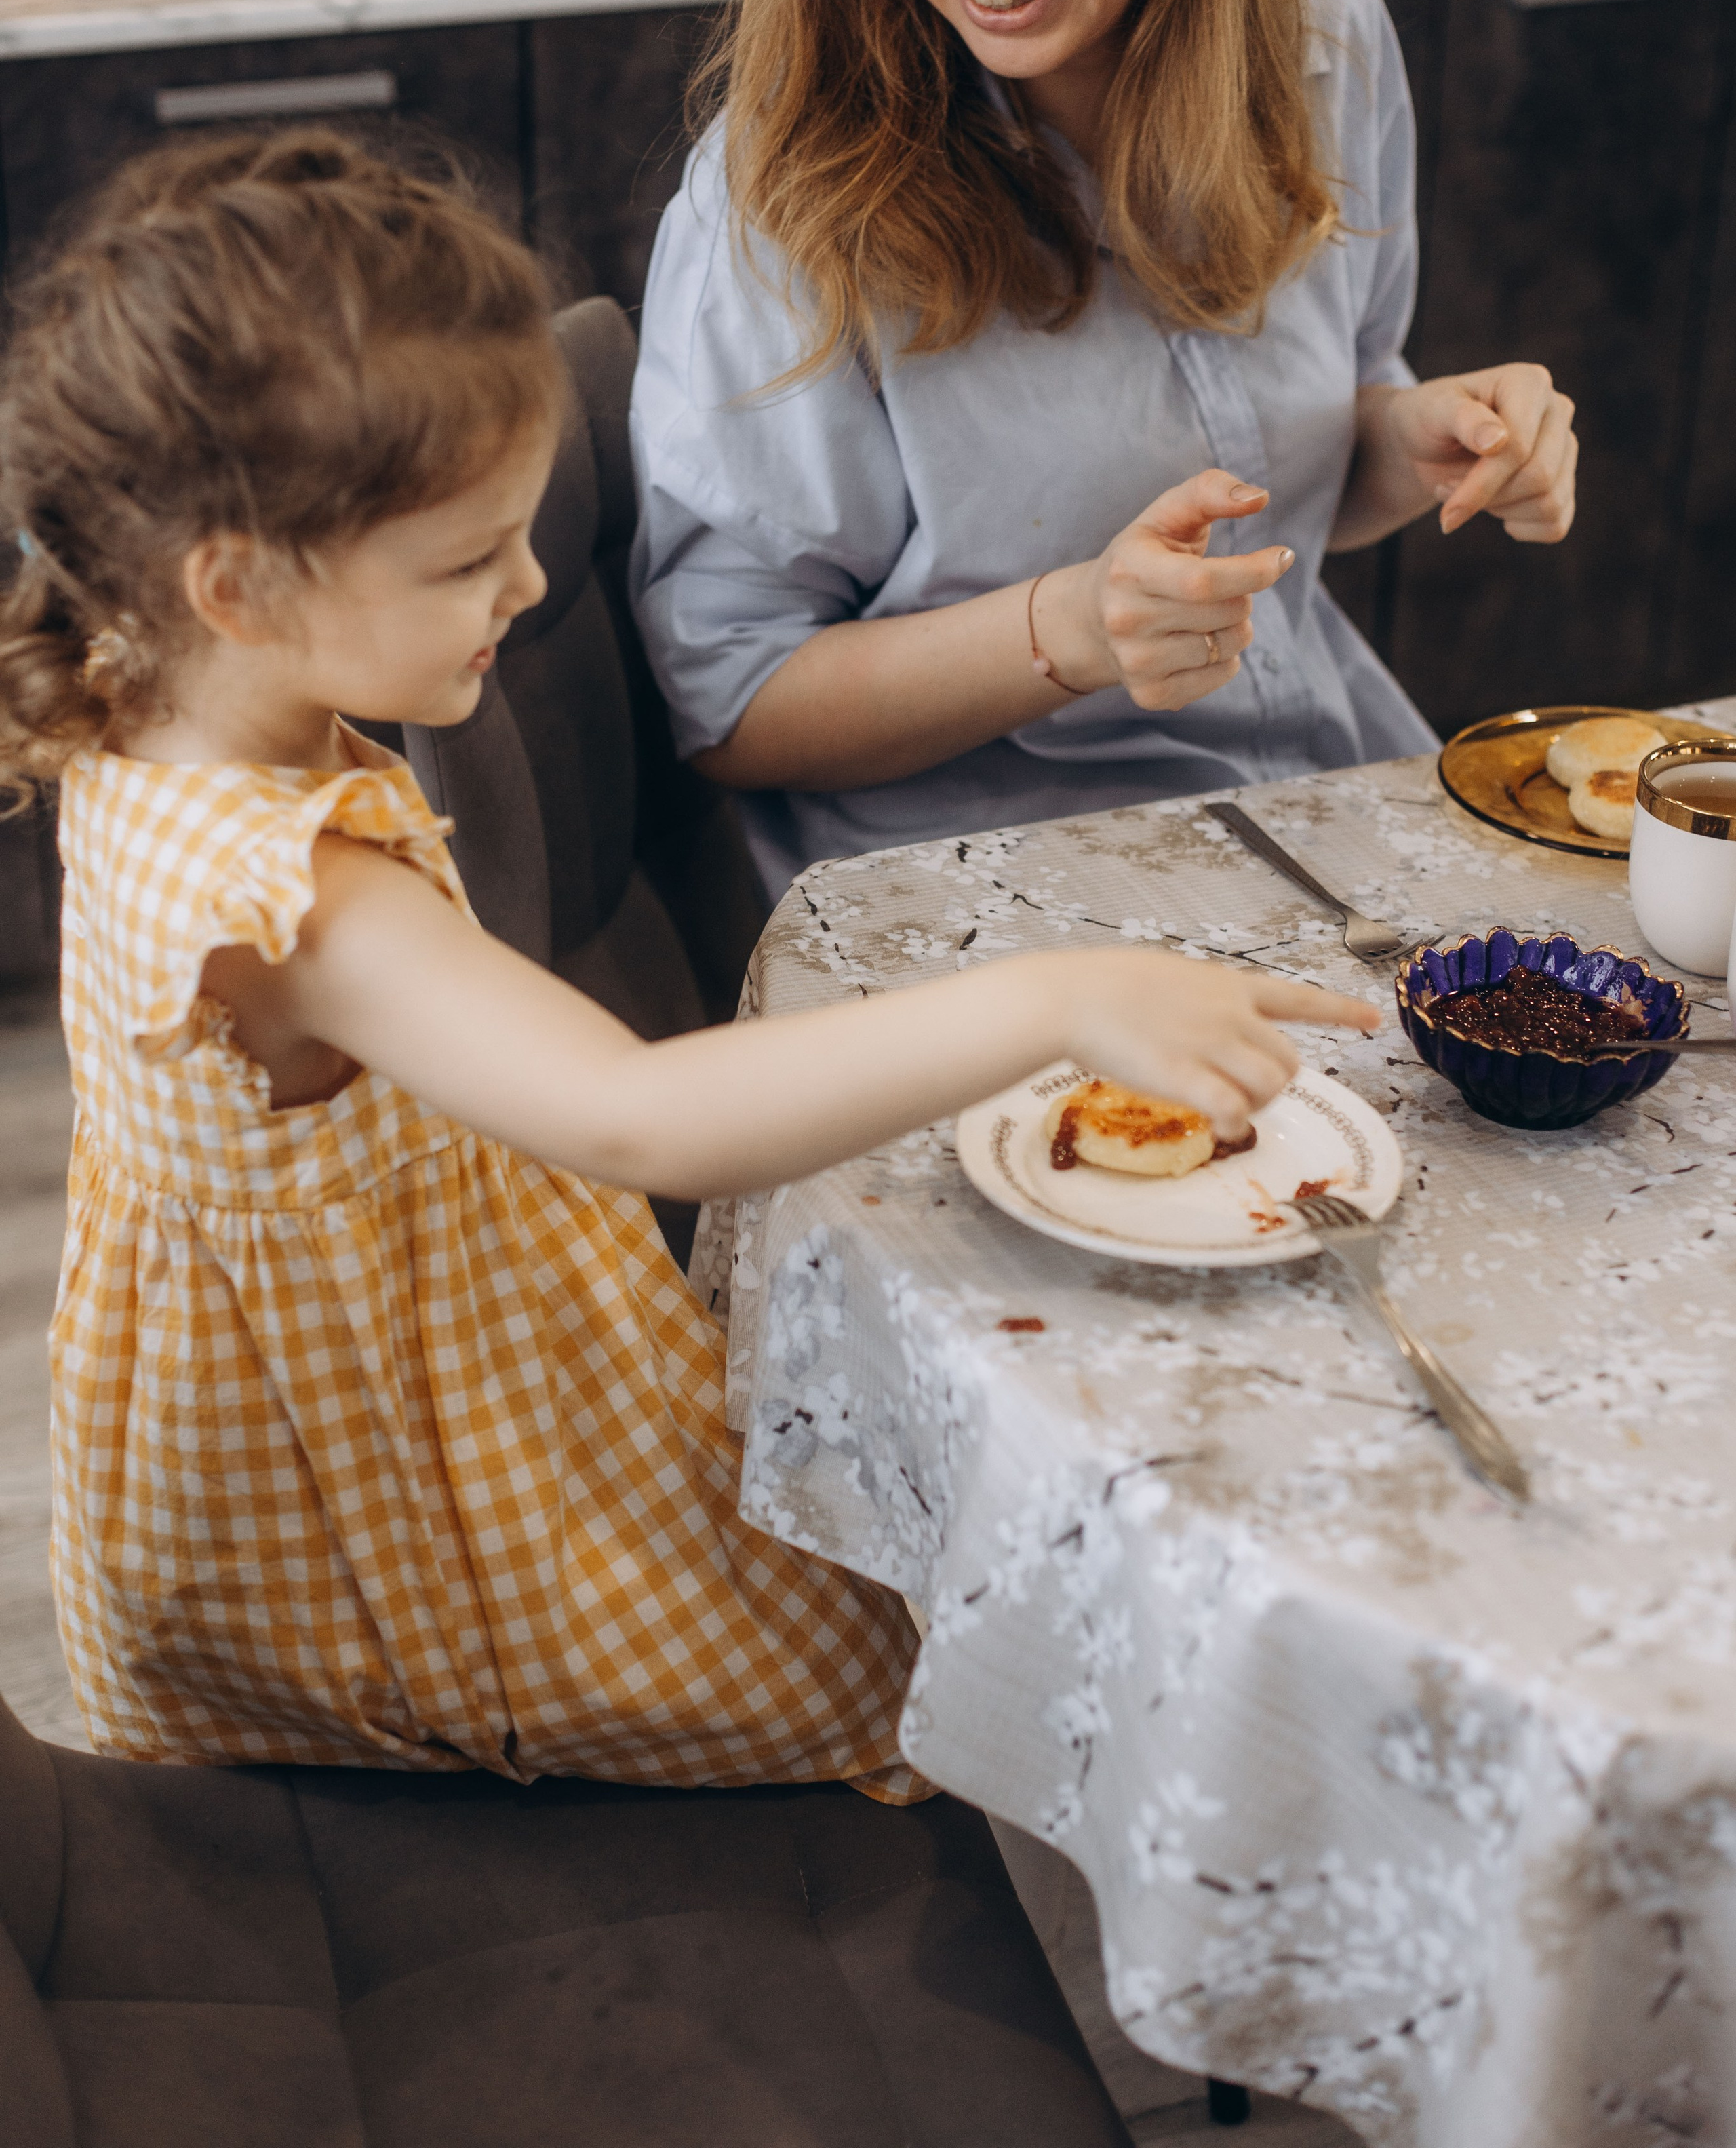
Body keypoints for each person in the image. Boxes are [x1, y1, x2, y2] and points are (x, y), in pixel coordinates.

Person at [0, 130, 1375, 1791]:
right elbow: (641, 1119)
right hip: (389, 1545)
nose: (522, 588)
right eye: (463, 562)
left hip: (435, 1372)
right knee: (938, 1648)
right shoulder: (293, 904)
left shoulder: (155, 702)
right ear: (233, 583)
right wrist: (1056, 993)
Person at [629, 0, 1579, 898]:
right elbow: (732, 709)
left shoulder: (1322, 35)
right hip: (977, 893)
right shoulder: (777, 192)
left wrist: (1418, 441)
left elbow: (1294, 469)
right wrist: (1063, 629)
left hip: (1309, 808)